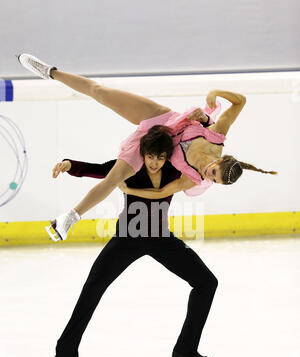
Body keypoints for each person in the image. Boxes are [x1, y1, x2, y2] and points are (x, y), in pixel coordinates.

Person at [17, 54, 277, 241]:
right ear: (220, 161)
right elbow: (240, 102)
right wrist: (215, 92)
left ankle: (69, 218)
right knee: (101, 92)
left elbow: (163, 191)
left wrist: (129, 188)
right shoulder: (215, 136)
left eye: (214, 181)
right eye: (214, 172)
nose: (208, 176)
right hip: (163, 119)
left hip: (152, 147)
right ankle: (50, 71)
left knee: (113, 178)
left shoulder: (192, 179)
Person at [34, 126, 218, 357]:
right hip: (126, 238)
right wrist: (69, 164)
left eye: (160, 157)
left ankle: (185, 350)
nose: (154, 163)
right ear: (143, 153)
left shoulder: (175, 169)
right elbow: (98, 170)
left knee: (207, 282)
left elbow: (205, 154)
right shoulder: (130, 166)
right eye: (150, 156)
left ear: (167, 156)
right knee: (91, 289)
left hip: (161, 239)